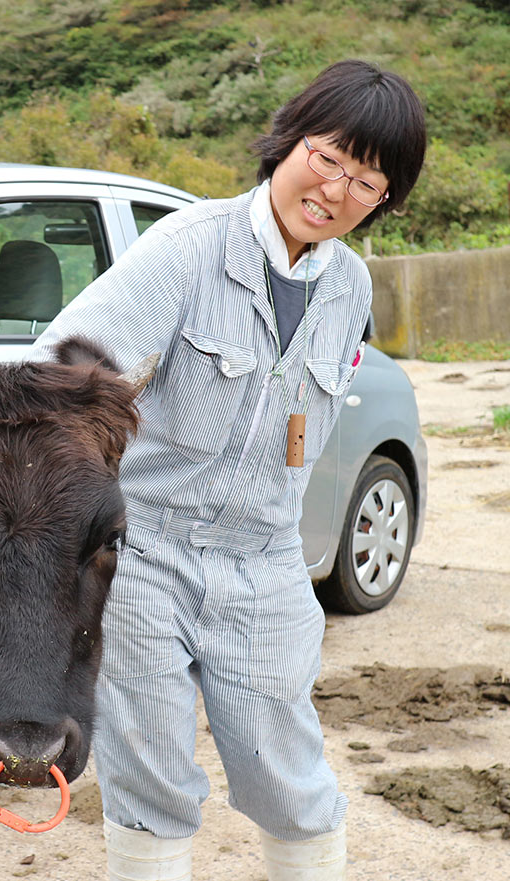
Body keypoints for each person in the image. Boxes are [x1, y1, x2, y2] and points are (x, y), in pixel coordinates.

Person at [31, 59, 426, 880]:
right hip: (146, 552)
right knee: (152, 774)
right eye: (328, 156)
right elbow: (58, 378)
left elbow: (299, 419)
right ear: (290, 139)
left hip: (267, 556)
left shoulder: (349, 285)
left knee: (290, 776)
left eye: (366, 180)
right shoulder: (184, 250)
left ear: (384, 201)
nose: (335, 189)